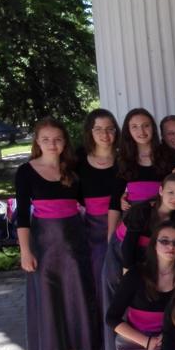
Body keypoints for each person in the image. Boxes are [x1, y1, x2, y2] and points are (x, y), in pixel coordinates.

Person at [16, 118, 98, 350]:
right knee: (47, 293)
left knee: (76, 290)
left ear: (65, 142)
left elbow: (89, 199)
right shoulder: (26, 171)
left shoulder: (73, 169)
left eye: (57, 139)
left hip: (74, 239)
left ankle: (80, 346)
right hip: (43, 242)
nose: (52, 144)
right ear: (37, 142)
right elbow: (22, 215)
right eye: (46, 139)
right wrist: (25, 250)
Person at [104, 108, 175, 316]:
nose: (141, 131)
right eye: (135, 127)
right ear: (128, 131)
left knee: (154, 287)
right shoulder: (123, 160)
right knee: (121, 286)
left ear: (153, 128)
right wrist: (111, 237)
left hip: (158, 234)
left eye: (145, 126)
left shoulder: (168, 157)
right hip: (129, 234)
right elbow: (114, 202)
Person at [105, 222, 175, 350]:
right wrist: (147, 342)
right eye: (165, 241)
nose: (171, 247)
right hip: (135, 342)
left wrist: (172, 335)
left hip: (171, 341)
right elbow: (112, 318)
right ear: (154, 244)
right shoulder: (135, 275)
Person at [78, 109, 120, 318]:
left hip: (120, 224)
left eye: (110, 129)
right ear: (90, 132)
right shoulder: (77, 160)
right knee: (96, 278)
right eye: (98, 129)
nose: (105, 134)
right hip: (91, 229)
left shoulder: (124, 159)